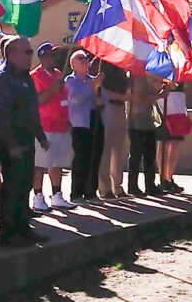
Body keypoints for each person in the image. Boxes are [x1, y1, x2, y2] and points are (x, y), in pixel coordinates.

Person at [0, 37, 49, 246]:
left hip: (26, 136)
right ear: (12, 54)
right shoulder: (1, 78)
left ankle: (23, 227)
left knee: (25, 183)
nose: (30, 56)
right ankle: (8, 232)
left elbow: (31, 110)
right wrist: (11, 144)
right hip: (9, 138)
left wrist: (40, 135)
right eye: (27, 52)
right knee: (12, 185)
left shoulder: (25, 77)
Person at [30, 42, 76, 212]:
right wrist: (51, 90)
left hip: (61, 125)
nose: (54, 58)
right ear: (42, 57)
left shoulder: (58, 74)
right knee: (41, 163)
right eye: (50, 55)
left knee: (58, 162)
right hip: (45, 126)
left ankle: (57, 195)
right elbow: (37, 101)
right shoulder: (35, 76)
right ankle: (38, 196)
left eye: (55, 55)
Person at [65, 51, 103, 204]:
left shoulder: (92, 80)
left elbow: (99, 101)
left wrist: (98, 95)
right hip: (78, 123)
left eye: (86, 59)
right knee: (80, 158)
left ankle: (90, 192)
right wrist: (92, 87)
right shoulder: (71, 80)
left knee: (94, 157)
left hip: (94, 121)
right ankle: (76, 193)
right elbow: (76, 99)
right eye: (80, 59)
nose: (85, 62)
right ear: (73, 64)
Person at [127, 74, 165, 196]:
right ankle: (133, 186)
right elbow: (139, 98)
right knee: (136, 155)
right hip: (137, 119)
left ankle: (150, 185)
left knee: (150, 154)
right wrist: (160, 95)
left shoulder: (147, 76)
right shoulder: (134, 78)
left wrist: (160, 89)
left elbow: (149, 95)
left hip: (148, 119)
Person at [97, 62, 130, 199]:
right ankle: (104, 188)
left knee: (119, 149)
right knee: (106, 150)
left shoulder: (121, 65)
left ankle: (117, 186)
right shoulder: (103, 62)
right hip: (108, 107)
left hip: (120, 108)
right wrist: (122, 97)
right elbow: (102, 89)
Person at [156, 82, 191, 194]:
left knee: (175, 143)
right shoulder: (159, 68)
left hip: (177, 108)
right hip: (164, 105)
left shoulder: (179, 68)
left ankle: (169, 177)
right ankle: (163, 178)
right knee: (163, 143)